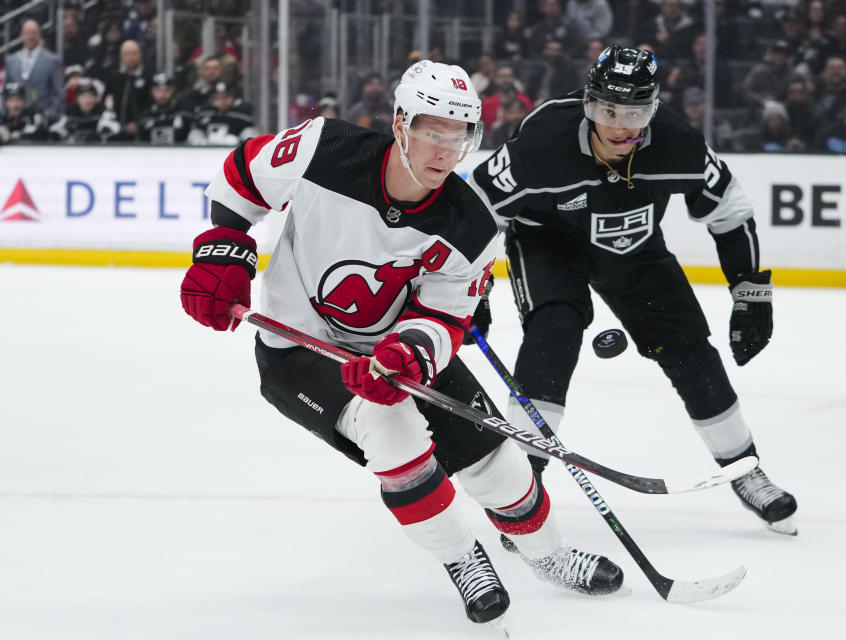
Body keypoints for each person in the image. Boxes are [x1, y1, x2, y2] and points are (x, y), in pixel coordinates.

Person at [178, 59, 623, 626]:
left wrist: (407, 352)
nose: (444, 150)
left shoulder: (471, 225)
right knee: (392, 431)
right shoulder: (323, 148)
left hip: (393, 353)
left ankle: (549, 556)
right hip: (299, 354)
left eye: (459, 135)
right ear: (400, 123)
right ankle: (462, 558)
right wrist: (223, 250)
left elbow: (444, 316)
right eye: (432, 131)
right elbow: (243, 175)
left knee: (498, 465)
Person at [469, 46, 799, 536]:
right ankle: (521, 490)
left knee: (689, 348)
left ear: (655, 106)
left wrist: (751, 291)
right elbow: (477, 210)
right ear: (588, 103)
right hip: (547, 240)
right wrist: (471, 290)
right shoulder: (542, 142)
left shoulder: (677, 142)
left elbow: (729, 209)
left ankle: (743, 469)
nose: (621, 126)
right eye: (608, 110)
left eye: (636, 112)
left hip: (635, 245)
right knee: (554, 332)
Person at [3, 19, 64, 121]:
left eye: (34, 33)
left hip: (42, 116)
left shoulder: (52, 60)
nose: (30, 37)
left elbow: (59, 92)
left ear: (39, 35)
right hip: (15, 117)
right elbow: (5, 90)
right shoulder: (11, 60)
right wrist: (4, 113)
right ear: (21, 36)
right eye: (27, 33)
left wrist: (50, 114)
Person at [136, 73, 192, 144]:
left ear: (173, 91)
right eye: (158, 90)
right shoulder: (144, 117)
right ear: (152, 92)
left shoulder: (185, 113)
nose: (162, 95)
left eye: (167, 90)